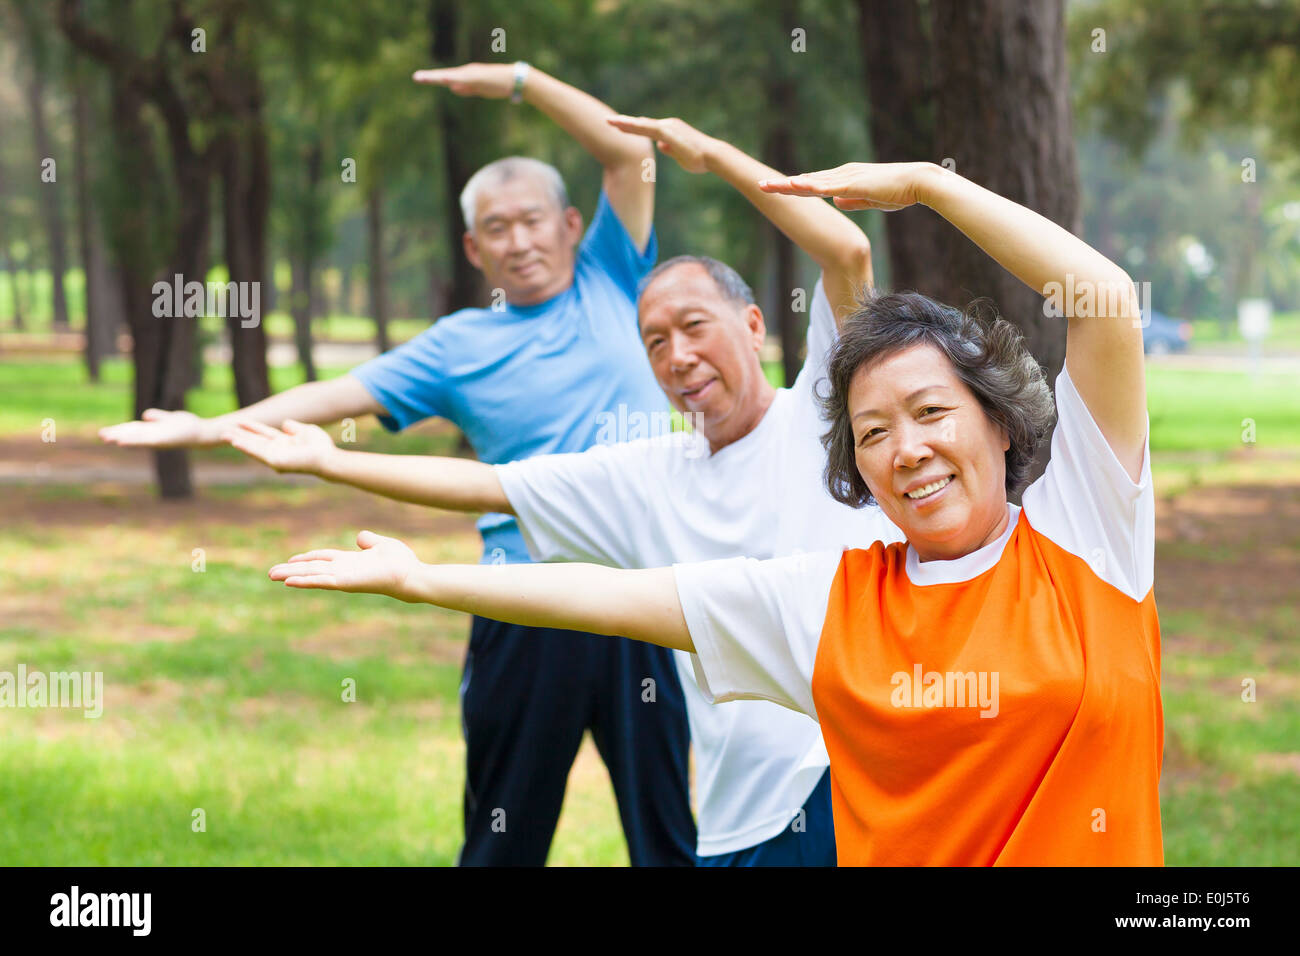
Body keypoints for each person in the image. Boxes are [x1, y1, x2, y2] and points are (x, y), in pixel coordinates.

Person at [265, 159, 1163, 866]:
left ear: (999, 422)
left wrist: (927, 186)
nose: (908, 449)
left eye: (932, 413)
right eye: (874, 431)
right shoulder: (832, 603)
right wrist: (419, 580)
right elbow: (618, 599)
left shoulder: (1086, 531)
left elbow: (1107, 303)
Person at [226, 116, 902, 865]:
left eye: (694, 326)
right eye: (654, 340)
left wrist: (712, 156)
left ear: (751, 323)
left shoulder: (821, 406)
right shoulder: (648, 475)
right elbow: (488, 484)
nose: (678, 356)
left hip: (842, 778)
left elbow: (846, 248)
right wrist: (331, 463)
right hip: (737, 814)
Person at [100, 62, 698, 867]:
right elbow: (334, 394)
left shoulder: (614, 276)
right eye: (496, 227)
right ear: (472, 246)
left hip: (643, 599)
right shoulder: (459, 344)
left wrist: (523, 82)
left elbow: (632, 156)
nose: (518, 241)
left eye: (531, 221)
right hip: (522, 603)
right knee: (501, 841)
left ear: (568, 223)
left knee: (669, 841)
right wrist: (210, 428)